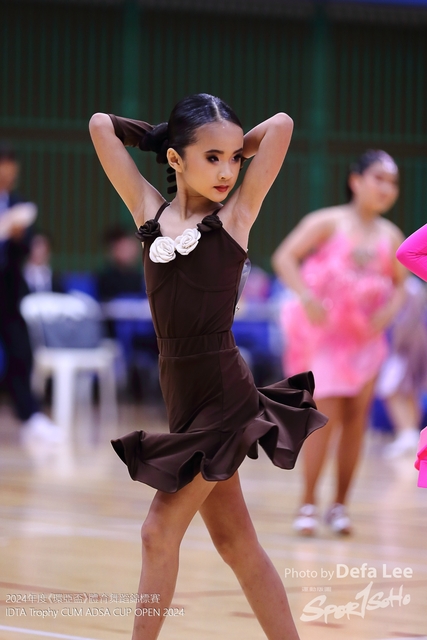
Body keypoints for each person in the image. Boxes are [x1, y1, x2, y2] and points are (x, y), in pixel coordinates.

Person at [89, 93, 327, 640]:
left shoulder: (236, 217)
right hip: (182, 397)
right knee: (236, 544)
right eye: (212, 157)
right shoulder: (148, 213)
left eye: (234, 158)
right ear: (176, 160)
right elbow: (101, 126)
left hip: (223, 394)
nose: (226, 171)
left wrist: (227, 145)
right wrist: (160, 137)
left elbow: (283, 124)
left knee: (157, 532)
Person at [272, 150, 406, 536]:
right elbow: (284, 257)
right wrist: (306, 297)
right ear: (355, 180)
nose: (386, 188)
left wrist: (387, 314)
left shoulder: (391, 236)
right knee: (324, 418)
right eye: (378, 178)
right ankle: (308, 502)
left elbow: (401, 285)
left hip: (366, 342)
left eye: (393, 182)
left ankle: (340, 506)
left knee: (356, 421)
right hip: (326, 339)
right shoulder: (327, 222)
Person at [0, 142, 61, 442]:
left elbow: (27, 248)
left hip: (8, 292)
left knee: (21, 352)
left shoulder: (18, 203)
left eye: (12, 171)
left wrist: (18, 237)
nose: (8, 176)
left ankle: (30, 415)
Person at [376, 275, 427, 459]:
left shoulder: (406, 287)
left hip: (405, 347)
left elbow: (408, 319)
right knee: (409, 391)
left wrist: (400, 343)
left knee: (391, 389)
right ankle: (411, 433)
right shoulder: (413, 286)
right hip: (412, 346)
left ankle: (407, 432)